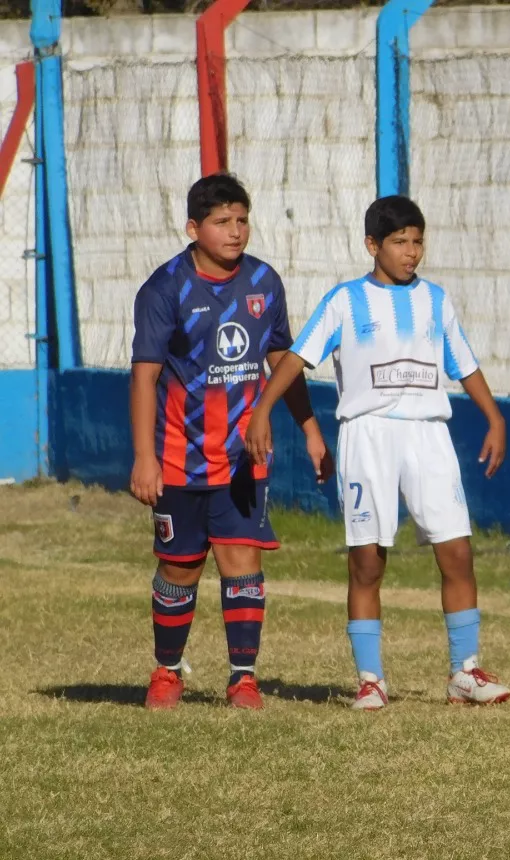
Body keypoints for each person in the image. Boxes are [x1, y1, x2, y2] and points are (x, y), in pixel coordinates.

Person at [244, 195, 510, 710]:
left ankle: (465, 671)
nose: (411, 252)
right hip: (367, 436)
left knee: (457, 551)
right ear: (373, 245)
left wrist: (494, 416)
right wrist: (261, 412)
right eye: (399, 242)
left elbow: (464, 362)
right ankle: (371, 680)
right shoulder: (345, 301)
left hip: (429, 434)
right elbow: (296, 358)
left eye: (417, 241)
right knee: (367, 561)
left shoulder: (436, 300)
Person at [129, 172, 332, 711]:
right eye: (222, 222)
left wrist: (311, 429)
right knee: (180, 566)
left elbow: (282, 365)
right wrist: (145, 458)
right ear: (194, 228)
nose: (236, 231)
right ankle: (167, 671)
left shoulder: (264, 282)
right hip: (177, 457)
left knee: (243, 560)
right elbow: (145, 376)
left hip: (243, 458)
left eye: (242, 220)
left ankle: (243, 677)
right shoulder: (164, 288)